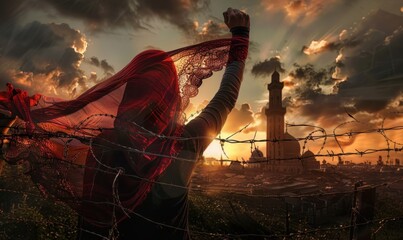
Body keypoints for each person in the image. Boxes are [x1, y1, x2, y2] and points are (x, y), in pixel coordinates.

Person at [0, 7, 249, 240]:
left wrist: (22, 112)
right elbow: (226, 97)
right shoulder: (185, 143)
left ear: (129, 93)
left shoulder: (103, 144)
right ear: (170, 96)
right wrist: (241, 35)